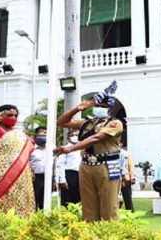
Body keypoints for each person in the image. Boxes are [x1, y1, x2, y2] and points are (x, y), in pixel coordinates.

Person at [55, 81, 123, 222]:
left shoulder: (115, 124)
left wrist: (70, 148)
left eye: (103, 106)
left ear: (109, 108)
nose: (98, 108)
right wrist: (77, 109)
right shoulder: (87, 123)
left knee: (108, 206)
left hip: (107, 166)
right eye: (97, 105)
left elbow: (96, 138)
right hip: (86, 166)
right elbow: (61, 122)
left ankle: (110, 235)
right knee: (88, 206)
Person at [0, 104, 34, 216]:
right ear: (0, 115)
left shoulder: (19, 134)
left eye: (15, 115)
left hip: (20, 174)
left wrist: (30, 169)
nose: (13, 118)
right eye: (9, 115)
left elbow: (25, 154)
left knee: (19, 198)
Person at [55, 130, 81, 206]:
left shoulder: (82, 148)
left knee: (78, 198)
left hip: (80, 174)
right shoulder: (65, 148)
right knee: (67, 198)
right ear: (68, 137)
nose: (74, 137)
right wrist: (62, 179)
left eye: (76, 135)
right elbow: (60, 164)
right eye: (72, 135)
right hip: (69, 174)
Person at [29, 126, 47, 210]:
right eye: (41, 132)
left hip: (47, 177)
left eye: (45, 132)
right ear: (36, 135)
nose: (44, 134)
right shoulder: (31, 148)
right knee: (34, 197)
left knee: (45, 199)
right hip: (35, 177)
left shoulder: (51, 147)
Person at [119, 144, 135, 211]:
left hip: (125, 177)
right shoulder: (110, 152)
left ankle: (130, 211)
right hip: (114, 178)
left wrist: (132, 177)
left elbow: (131, 166)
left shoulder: (126, 154)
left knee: (127, 197)